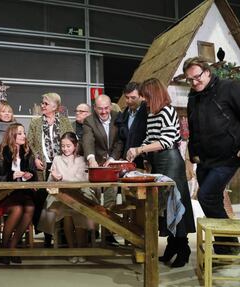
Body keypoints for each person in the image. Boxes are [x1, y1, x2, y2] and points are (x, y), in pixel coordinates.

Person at [182, 57, 240, 255]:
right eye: (189, 79)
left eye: (197, 77)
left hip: (228, 156)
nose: (194, 82)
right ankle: (226, 243)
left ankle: (228, 243)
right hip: (205, 160)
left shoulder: (229, 88)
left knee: (206, 195)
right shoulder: (193, 96)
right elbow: (193, 128)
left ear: (207, 72)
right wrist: (193, 154)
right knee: (212, 199)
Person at [126, 78, 195, 268]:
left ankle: (183, 248)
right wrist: (136, 149)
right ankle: (172, 245)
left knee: (176, 203)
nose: (145, 101)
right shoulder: (152, 113)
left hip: (171, 160)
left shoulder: (167, 111)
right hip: (158, 161)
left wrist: (140, 150)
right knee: (164, 206)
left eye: (147, 97)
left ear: (154, 95)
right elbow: (150, 137)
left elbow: (165, 141)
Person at [38, 132, 97, 263]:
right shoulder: (57, 159)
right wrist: (54, 178)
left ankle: (81, 249)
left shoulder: (82, 159)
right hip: (61, 195)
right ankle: (72, 249)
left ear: (75, 146)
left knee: (80, 211)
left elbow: (82, 180)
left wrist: (63, 178)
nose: (65, 149)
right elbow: (49, 183)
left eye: (68, 146)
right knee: (67, 214)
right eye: (63, 146)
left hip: (80, 193)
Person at [27, 92, 73, 247]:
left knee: (61, 201)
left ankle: (63, 236)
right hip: (43, 167)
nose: (42, 105)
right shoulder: (35, 123)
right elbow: (30, 144)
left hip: (61, 167)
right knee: (44, 202)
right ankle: (47, 236)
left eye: (45, 103)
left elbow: (72, 142)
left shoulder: (65, 122)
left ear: (55, 106)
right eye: (42, 103)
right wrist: (36, 158)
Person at [0, 123, 36, 265]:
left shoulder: (28, 153)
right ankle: (4, 250)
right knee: (17, 209)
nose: (23, 136)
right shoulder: (0, 153)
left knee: (31, 207)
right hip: (4, 195)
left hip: (23, 193)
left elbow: (34, 174)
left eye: (24, 133)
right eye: (20, 133)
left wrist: (29, 175)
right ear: (12, 135)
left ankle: (11, 247)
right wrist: (11, 175)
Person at [82, 94, 123, 245]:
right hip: (96, 165)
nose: (104, 112)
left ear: (110, 107)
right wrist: (91, 158)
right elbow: (87, 140)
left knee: (111, 198)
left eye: (106, 108)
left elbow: (120, 140)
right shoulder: (89, 120)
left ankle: (108, 233)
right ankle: (93, 232)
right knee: (94, 198)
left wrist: (112, 158)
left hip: (113, 163)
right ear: (95, 108)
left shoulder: (118, 117)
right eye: (100, 109)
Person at [115, 82, 148, 169]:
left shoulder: (148, 112)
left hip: (145, 162)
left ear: (141, 96)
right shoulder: (124, 114)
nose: (129, 101)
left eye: (133, 98)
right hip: (129, 163)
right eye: (127, 97)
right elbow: (122, 139)